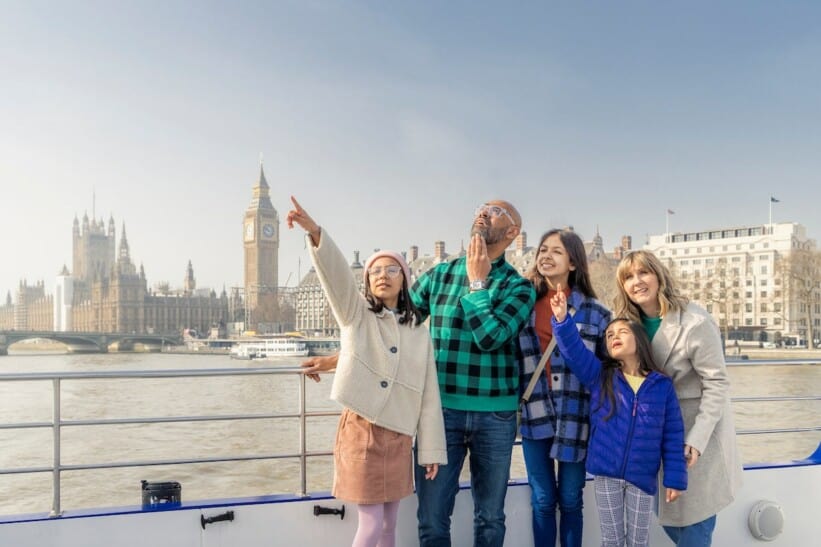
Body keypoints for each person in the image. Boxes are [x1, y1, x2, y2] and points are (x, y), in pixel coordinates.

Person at [302, 200, 536, 547]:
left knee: (490, 517)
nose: (483, 212)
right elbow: (391, 326)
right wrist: (341, 357)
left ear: (513, 232)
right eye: (482, 207)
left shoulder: (519, 287)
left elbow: (491, 337)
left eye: (496, 211)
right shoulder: (440, 275)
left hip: (496, 416)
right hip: (443, 413)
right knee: (431, 519)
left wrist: (476, 284)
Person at [286, 196, 447, 547]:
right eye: (375, 271)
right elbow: (338, 277)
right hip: (362, 431)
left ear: (404, 280)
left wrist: (431, 450)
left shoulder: (419, 332)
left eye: (391, 270)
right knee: (371, 525)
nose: (382, 276)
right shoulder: (356, 314)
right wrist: (315, 232)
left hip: (401, 437)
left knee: (390, 525)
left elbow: (429, 395)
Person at [613, 250, 743, 547]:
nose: (637, 282)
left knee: (693, 523)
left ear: (659, 276)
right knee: (668, 517)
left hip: (692, 434)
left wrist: (696, 439)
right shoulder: (625, 325)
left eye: (643, 273)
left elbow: (717, 382)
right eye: (628, 277)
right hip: (649, 439)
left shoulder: (695, 321)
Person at [550, 288, 687, 547]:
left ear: (639, 340)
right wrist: (561, 319)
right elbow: (575, 352)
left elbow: (672, 435)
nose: (614, 336)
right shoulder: (601, 377)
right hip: (606, 475)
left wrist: (675, 479)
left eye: (622, 332)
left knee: (638, 541)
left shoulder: (662, 386)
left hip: (642, 476)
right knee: (611, 539)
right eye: (609, 335)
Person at [516, 229, 611, 547]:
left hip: (576, 417)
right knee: (542, 500)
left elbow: (605, 373)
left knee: (571, 500)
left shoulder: (595, 313)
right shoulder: (523, 306)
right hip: (534, 413)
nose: (545, 255)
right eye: (542, 250)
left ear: (573, 262)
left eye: (556, 251)